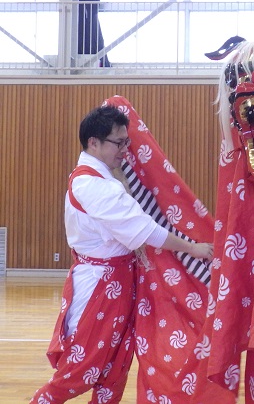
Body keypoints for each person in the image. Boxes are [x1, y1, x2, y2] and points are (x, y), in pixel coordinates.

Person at [30, 105, 213, 404]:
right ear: (94, 142)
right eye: (119, 143)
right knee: (79, 372)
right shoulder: (94, 185)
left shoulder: (97, 179)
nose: (125, 150)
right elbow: (146, 230)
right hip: (100, 289)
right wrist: (193, 248)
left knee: (113, 374)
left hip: (116, 284)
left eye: (126, 142)